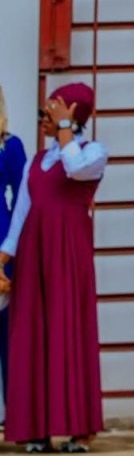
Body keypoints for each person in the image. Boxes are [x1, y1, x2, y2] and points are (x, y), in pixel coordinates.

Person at [0, 83, 107, 453]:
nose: (42, 120)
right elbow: (21, 213)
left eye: (48, 113)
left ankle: (78, 428)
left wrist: (65, 128)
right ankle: (37, 429)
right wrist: (5, 256)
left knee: (69, 326)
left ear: (71, 113)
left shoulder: (93, 153)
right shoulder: (37, 161)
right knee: (33, 330)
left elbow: (75, 168)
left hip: (68, 253)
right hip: (34, 251)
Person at [0, 85, 27, 412]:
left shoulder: (11, 146)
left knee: (7, 331)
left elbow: (24, 199)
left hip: (2, 242)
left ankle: (14, 412)